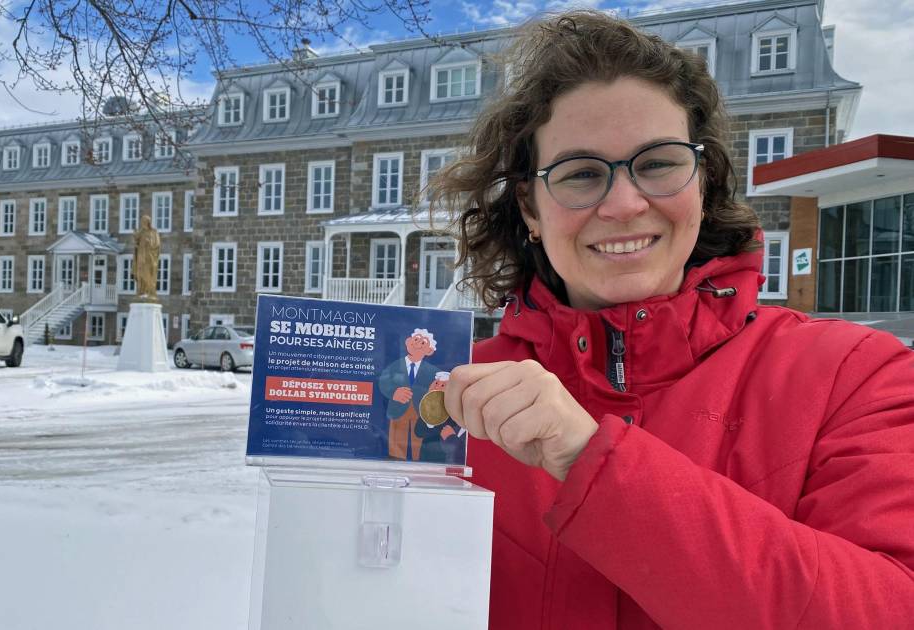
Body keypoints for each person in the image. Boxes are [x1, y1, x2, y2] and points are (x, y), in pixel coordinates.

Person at [430, 11, 914, 630]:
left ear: (704, 179)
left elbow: (888, 608)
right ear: (529, 206)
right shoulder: (452, 398)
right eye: (580, 174)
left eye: (657, 163)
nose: (624, 203)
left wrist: (591, 463)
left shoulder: (853, 377)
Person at [377, 328, 439, 460]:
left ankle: (418, 460)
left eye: (423, 343)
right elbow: (383, 381)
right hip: (398, 409)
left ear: (429, 350)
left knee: (418, 438)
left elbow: (439, 388)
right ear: (408, 342)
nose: (418, 344)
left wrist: (430, 394)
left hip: (420, 410)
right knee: (396, 437)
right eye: (416, 339)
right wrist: (393, 392)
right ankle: (396, 459)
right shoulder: (395, 366)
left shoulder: (432, 371)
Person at [132, 215, 161, 300]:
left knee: (148, 274)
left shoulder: (154, 232)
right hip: (141, 256)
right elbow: (136, 241)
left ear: (148, 222)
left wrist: (150, 243)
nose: (143, 223)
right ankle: (141, 291)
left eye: (144, 221)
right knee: (140, 273)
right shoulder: (141, 232)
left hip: (150, 257)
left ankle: (149, 291)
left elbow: (157, 244)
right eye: (142, 221)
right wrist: (136, 242)